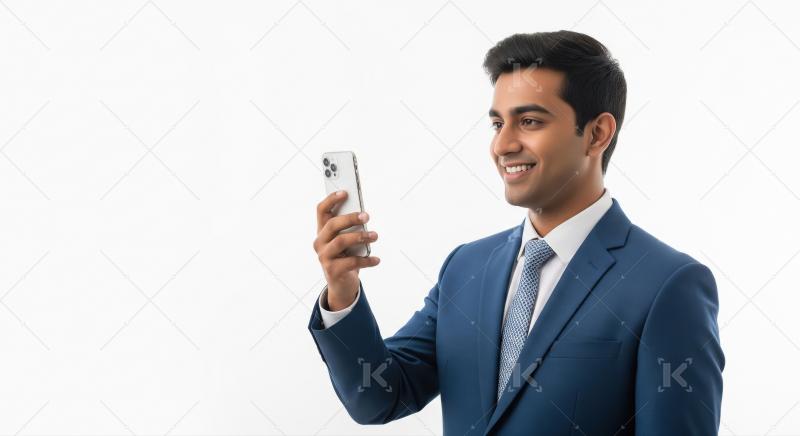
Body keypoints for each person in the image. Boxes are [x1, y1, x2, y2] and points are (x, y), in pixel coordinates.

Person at [309, 30, 724, 435]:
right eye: (496, 124)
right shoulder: (466, 267)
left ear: (597, 133)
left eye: (528, 121)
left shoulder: (668, 286)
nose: (502, 145)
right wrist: (343, 293)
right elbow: (378, 396)